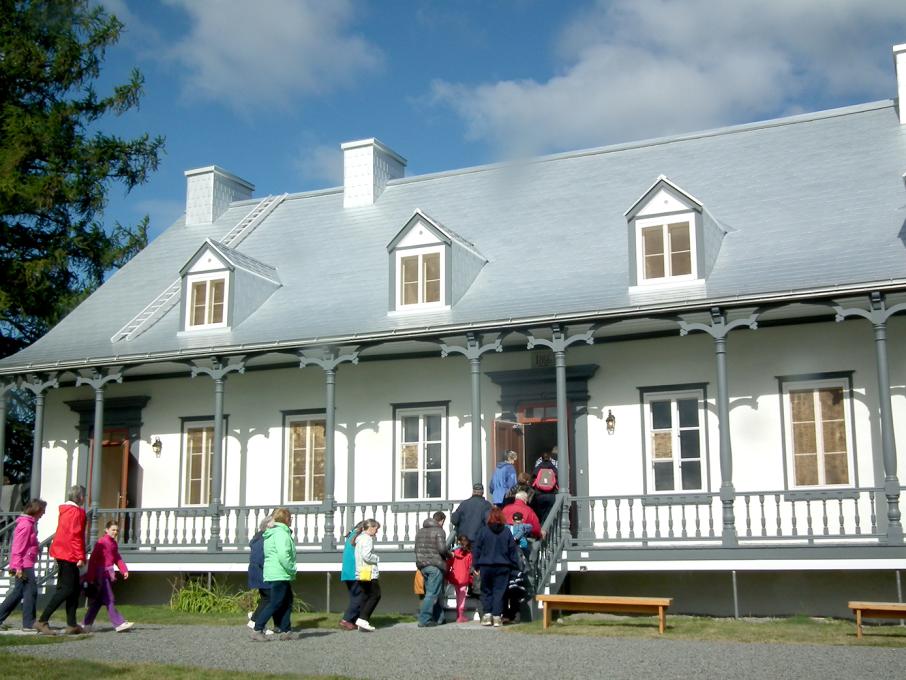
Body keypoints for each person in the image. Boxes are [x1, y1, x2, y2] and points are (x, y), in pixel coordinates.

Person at [35, 485, 87, 635]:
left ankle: (72, 624)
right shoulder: (77, 512)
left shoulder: (65, 510)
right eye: (84, 496)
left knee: (74, 589)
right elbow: (76, 535)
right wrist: (80, 556)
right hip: (69, 554)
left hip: (61, 551)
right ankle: (42, 620)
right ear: (80, 497)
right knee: (67, 589)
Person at [0, 499, 46, 631]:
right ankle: (29, 622)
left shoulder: (29, 523)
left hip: (24, 563)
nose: (43, 513)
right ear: (36, 510)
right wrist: (17, 567)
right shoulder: (26, 525)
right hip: (23, 565)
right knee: (31, 591)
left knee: (18, 592)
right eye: (42, 510)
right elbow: (17, 547)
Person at [251, 507, 296, 641]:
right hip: (280, 572)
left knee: (287, 601)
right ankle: (258, 629)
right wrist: (291, 568)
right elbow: (283, 555)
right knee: (275, 602)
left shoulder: (271, 532)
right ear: (286, 519)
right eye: (290, 517)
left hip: (273, 571)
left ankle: (286, 630)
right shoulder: (281, 533)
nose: (291, 520)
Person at [82, 520, 133, 632]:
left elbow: (117, 558)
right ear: (106, 530)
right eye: (113, 530)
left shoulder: (113, 543)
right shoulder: (102, 542)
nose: (115, 532)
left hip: (108, 574)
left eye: (117, 530)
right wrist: (90, 577)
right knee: (109, 598)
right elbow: (93, 560)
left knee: (98, 601)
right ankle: (119, 623)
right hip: (101, 575)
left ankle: (86, 624)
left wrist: (124, 569)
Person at [473, 507, 520, 628]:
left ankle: (487, 615)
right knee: (499, 592)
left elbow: (477, 549)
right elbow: (512, 550)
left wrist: (475, 565)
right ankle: (497, 616)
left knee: (486, 590)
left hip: (486, 565)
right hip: (503, 565)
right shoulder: (506, 531)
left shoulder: (483, 531)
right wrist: (515, 565)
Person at [414, 511, 450, 628]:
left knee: (434, 592)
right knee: (432, 593)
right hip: (435, 565)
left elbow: (416, 548)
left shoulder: (420, 531)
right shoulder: (439, 531)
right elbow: (442, 549)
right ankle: (424, 619)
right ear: (442, 521)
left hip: (422, 565)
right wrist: (450, 555)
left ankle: (439, 618)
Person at [246, 513, 274, 635]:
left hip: (259, 572)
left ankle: (258, 620)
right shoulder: (262, 539)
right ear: (267, 525)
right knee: (269, 598)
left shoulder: (261, 537)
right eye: (273, 523)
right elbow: (258, 558)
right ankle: (255, 621)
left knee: (266, 598)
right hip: (260, 572)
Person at [354, 519, 381, 632]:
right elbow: (366, 555)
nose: (377, 531)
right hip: (368, 572)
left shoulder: (360, 538)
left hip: (361, 572)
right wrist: (376, 558)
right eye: (376, 529)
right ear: (370, 528)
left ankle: (362, 620)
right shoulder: (367, 539)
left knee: (366, 596)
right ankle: (363, 620)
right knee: (375, 595)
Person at [339, 521, 364, 630]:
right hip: (354, 572)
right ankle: (347, 619)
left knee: (355, 596)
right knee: (359, 597)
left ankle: (353, 620)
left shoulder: (351, 536)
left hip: (347, 572)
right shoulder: (358, 537)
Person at [447, 535, 474, 623]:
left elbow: (449, 564)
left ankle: (458, 614)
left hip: (455, 577)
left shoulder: (454, 553)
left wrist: (447, 575)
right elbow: (470, 568)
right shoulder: (469, 554)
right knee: (462, 597)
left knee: (458, 596)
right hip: (464, 578)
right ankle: (460, 615)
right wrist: (471, 579)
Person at [531, 451, 560, 524]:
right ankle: (547, 526)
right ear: (550, 458)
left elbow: (533, 477)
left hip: (539, 494)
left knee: (540, 512)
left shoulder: (538, 467)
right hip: (551, 493)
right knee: (550, 512)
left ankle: (542, 525)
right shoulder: (553, 467)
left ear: (542, 458)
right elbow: (557, 477)